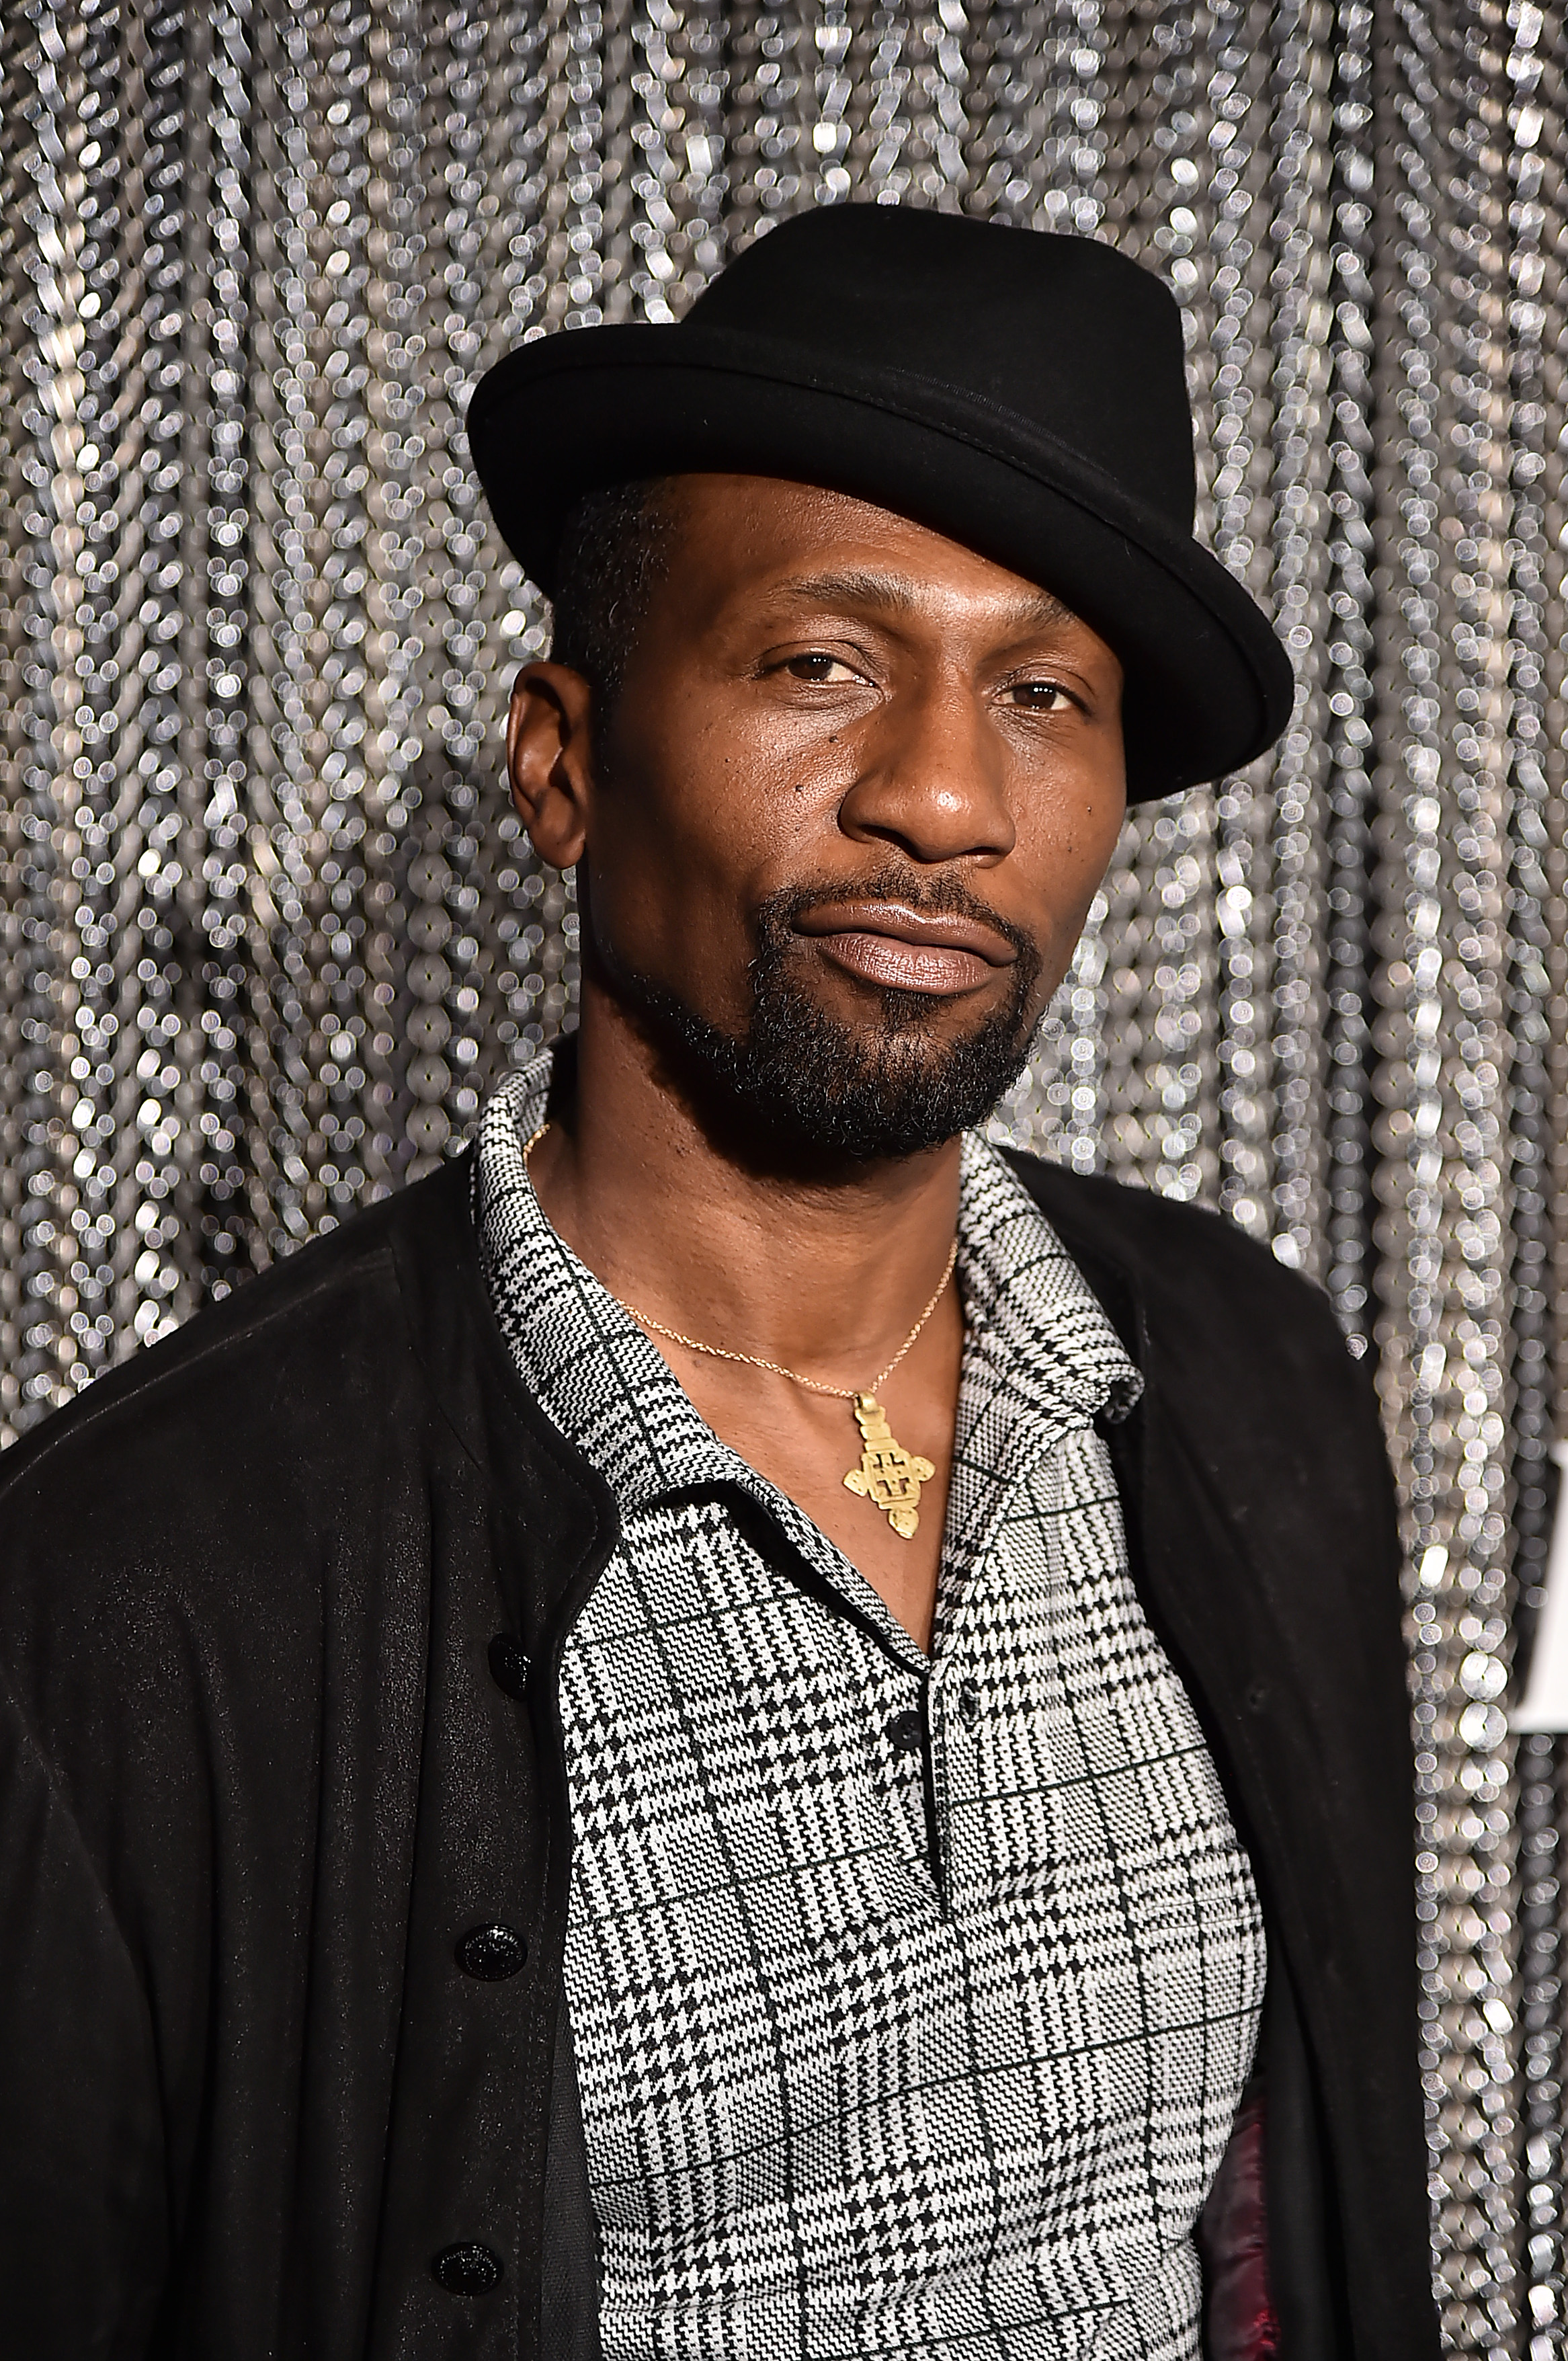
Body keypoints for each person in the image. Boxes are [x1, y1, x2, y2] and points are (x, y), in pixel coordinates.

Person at [0, 206, 1434, 2361]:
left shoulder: (1247, 1378)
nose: (943, 797)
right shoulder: (142, 1588)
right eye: (819, 665)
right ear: (562, 763)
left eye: (1044, 696)